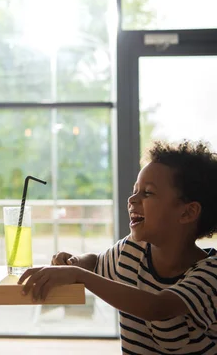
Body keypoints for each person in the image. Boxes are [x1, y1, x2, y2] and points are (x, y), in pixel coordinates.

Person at [18, 140, 217, 354]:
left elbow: (157, 307)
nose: (132, 199)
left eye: (148, 193)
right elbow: (96, 263)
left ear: (187, 213)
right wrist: (76, 263)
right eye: (135, 190)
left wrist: (78, 275)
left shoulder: (210, 275)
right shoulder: (132, 250)